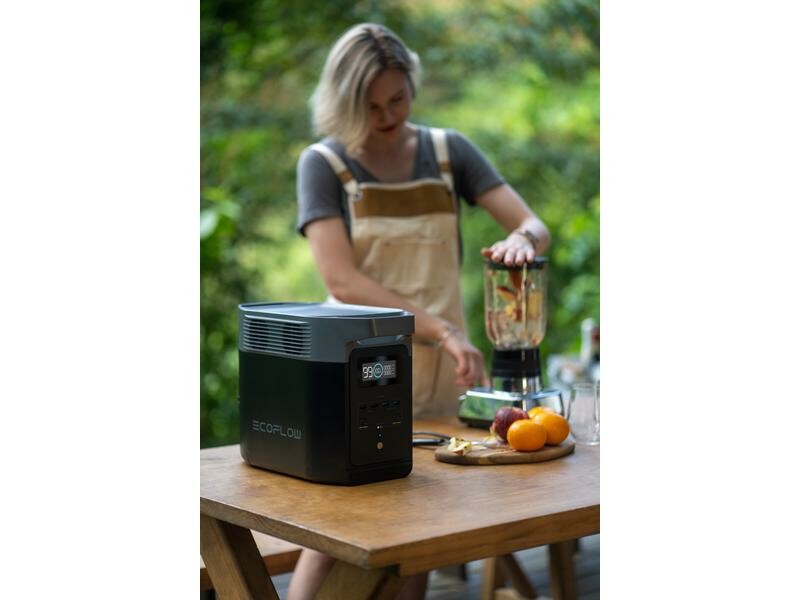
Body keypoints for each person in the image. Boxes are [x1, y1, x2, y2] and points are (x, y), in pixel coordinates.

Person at [289, 23, 550, 600]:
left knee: (420, 524)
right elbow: (341, 280)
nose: (387, 116)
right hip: (355, 370)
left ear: (412, 85)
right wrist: (441, 329)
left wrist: (523, 240)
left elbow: (533, 223)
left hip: (438, 375)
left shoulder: (449, 152)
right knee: (336, 521)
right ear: (343, 100)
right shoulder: (323, 163)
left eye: (398, 99)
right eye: (371, 105)